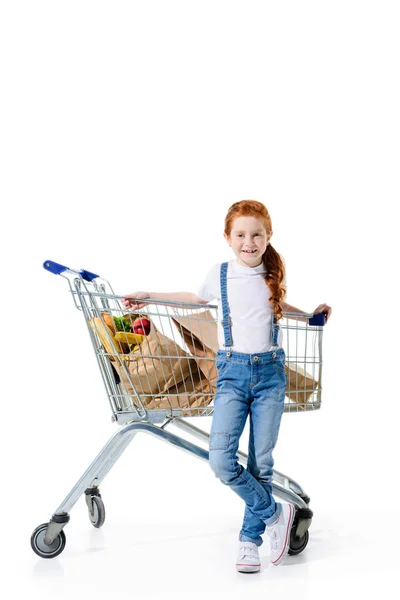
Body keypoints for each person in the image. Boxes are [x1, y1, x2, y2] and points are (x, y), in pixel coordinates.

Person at [122, 199, 332, 573]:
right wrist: (150, 295)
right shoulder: (220, 274)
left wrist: (313, 317)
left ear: (269, 237)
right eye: (241, 235)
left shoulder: (271, 273)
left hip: (270, 376)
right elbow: (194, 300)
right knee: (221, 461)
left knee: (260, 464)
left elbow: (279, 306)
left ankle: (249, 542)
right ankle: (274, 516)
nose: (248, 242)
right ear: (227, 238)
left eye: (257, 234)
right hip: (232, 375)